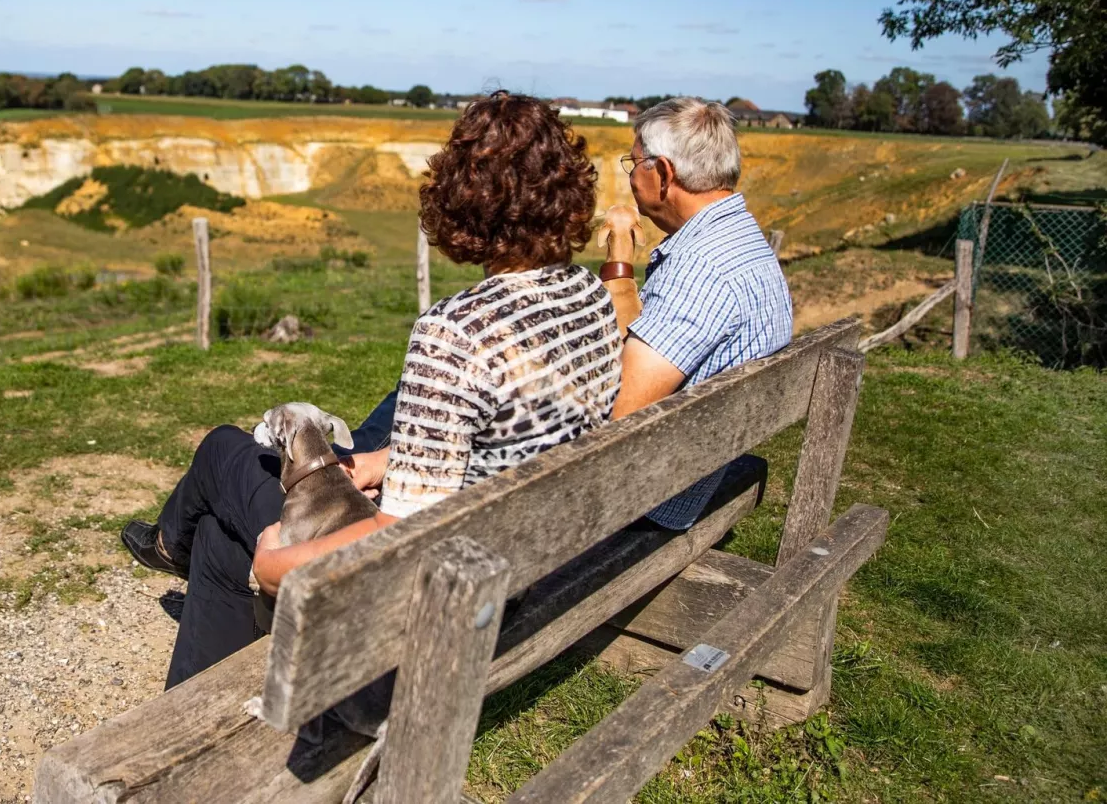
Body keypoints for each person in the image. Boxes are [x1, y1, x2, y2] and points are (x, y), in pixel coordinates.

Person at [122, 91, 624, 687]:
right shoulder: (592, 297)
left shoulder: (456, 332)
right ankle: (199, 664)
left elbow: (394, 545)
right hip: (536, 559)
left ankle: (183, 678)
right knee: (225, 535)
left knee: (226, 456)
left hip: (454, 599)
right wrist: (384, 460)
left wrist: (276, 562)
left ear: (462, 200)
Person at [599, 97, 794, 529]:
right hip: (704, 460)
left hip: (654, 498)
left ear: (664, 172)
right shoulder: (741, 239)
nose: (631, 179)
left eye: (634, 165)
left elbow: (619, 414)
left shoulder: (700, 269)